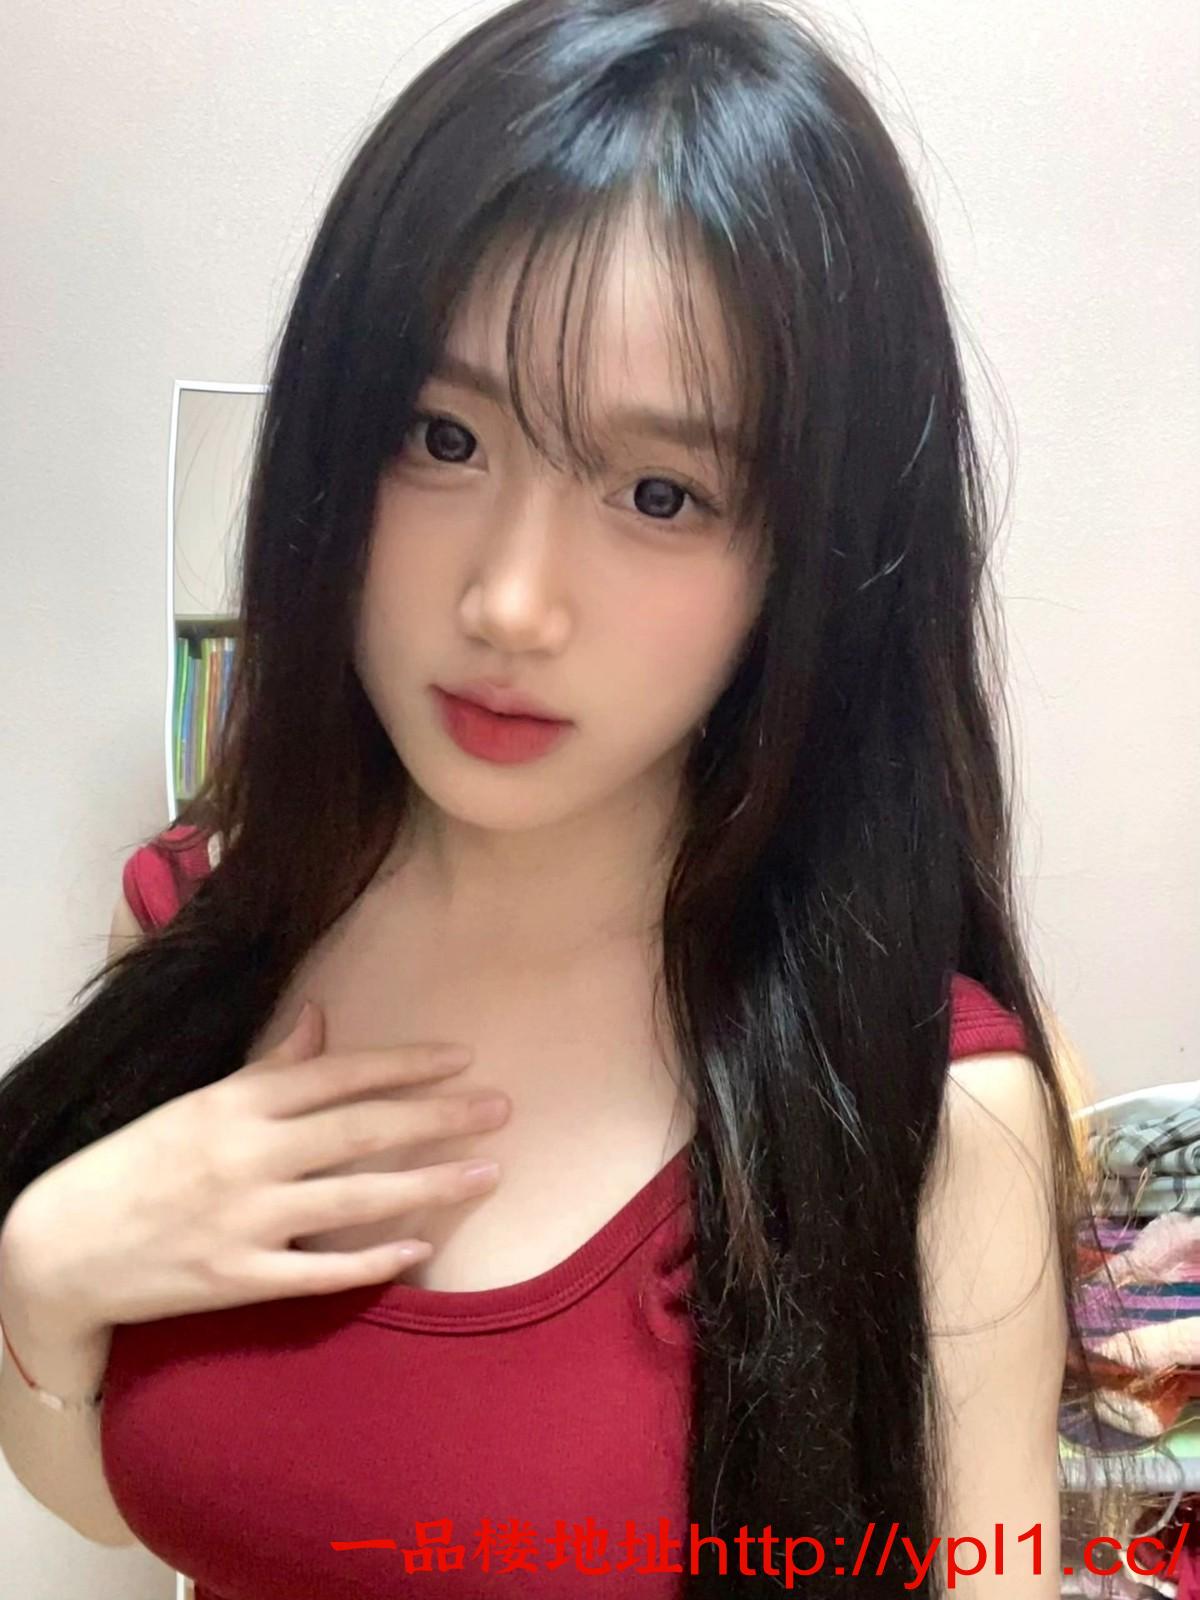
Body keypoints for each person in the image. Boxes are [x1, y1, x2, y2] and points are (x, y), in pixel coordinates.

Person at [0, 1, 1121, 1595]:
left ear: (811, 563)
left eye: (660, 493)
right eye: (442, 436)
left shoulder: (923, 1114)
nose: (511, 601)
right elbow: (125, 1504)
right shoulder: (211, 923)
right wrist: (47, 1280)